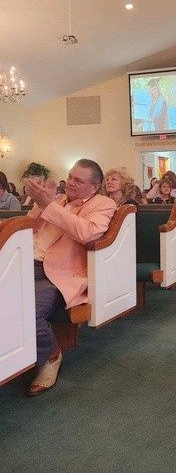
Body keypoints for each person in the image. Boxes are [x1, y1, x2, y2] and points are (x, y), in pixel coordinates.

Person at [24, 159, 116, 396]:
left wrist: (49, 206)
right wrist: (40, 204)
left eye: (78, 181)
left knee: (28, 310)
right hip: (23, 264)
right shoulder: (58, 200)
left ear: (94, 186)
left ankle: (50, 355)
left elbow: (86, 232)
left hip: (56, 274)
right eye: (70, 177)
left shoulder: (104, 204)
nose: (71, 183)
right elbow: (28, 227)